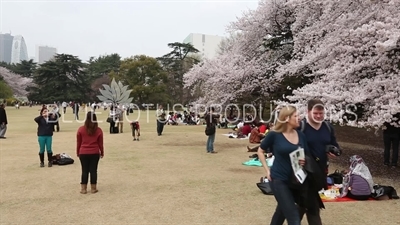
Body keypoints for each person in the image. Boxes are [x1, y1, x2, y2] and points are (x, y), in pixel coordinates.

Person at [257, 105, 309, 225]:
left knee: (281, 212)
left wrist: (304, 160)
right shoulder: (274, 135)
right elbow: (260, 151)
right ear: (286, 118)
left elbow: (306, 154)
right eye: (296, 116)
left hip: (296, 180)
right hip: (278, 179)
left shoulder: (301, 135)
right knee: (294, 218)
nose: (299, 118)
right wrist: (267, 170)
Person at [298, 99, 340, 225]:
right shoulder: (301, 127)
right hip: (304, 171)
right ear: (308, 112)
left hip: (320, 172)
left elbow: (335, 144)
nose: (318, 116)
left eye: (321, 113)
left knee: (306, 204)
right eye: (315, 113)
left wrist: (335, 151)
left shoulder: (328, 127)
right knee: (309, 204)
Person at [76, 112, 104, 194]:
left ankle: (83, 189)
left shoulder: (81, 129)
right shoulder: (98, 130)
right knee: (93, 170)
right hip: (94, 152)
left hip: (83, 152)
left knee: (84, 170)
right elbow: (100, 144)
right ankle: (93, 188)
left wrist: (78, 152)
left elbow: (79, 142)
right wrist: (102, 152)